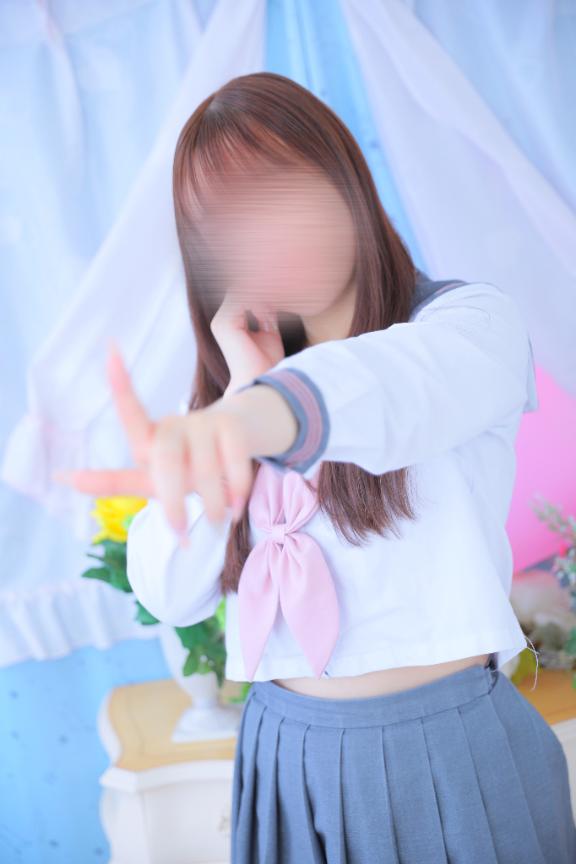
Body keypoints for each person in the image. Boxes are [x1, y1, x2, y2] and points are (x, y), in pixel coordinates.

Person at [54, 72, 576, 863]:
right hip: (284, 756)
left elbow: (391, 388)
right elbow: (170, 590)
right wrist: (237, 395)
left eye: (285, 194)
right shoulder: (231, 397)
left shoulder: (468, 327)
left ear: (345, 179)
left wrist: (254, 415)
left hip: (448, 753)